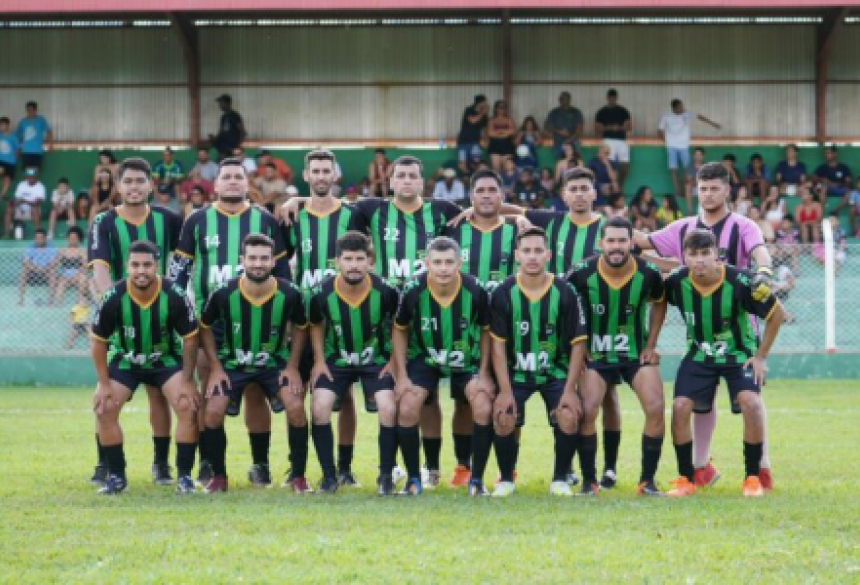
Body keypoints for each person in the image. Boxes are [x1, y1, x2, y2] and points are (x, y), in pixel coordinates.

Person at [634, 161, 776, 490]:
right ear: (696, 191)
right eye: (703, 188)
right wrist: (611, 232)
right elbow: (646, 242)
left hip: (740, 327)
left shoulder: (743, 226)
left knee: (751, 397)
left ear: (727, 190)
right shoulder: (683, 228)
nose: (708, 194)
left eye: (715, 188)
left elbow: (760, 254)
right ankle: (700, 467)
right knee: (699, 399)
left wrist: (765, 274)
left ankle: (762, 467)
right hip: (700, 332)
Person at [170, 157, 291, 489]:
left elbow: (283, 276)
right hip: (211, 325)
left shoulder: (264, 219)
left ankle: (260, 465)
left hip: (258, 321)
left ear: (246, 182)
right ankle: (209, 464)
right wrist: (176, 313)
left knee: (254, 392)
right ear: (217, 184)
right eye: (227, 177)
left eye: (239, 177)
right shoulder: (196, 220)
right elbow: (179, 274)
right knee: (210, 392)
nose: (233, 182)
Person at [663, 229, 784, 498]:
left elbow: (778, 316)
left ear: (717, 254)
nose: (700, 261)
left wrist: (761, 356)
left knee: (751, 403)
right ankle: (686, 478)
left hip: (738, 355)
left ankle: (752, 477)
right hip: (699, 354)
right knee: (680, 406)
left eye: (706, 253)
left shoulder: (742, 281)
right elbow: (657, 301)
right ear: (684, 257)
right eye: (693, 254)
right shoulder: (676, 282)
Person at [87, 157, 184, 486]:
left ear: (151, 185)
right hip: (119, 319)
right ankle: (106, 465)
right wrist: (111, 304)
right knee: (107, 395)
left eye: (140, 182)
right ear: (118, 186)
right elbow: (99, 269)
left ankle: (162, 465)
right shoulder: (104, 221)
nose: (134, 187)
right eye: (127, 182)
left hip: (162, 316)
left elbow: (182, 263)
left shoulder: (169, 219)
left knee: (160, 394)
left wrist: (174, 301)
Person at [282, 149, 367, 486]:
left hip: (342, 322)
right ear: (306, 176)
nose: (320, 176)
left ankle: (343, 469)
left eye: (325, 171)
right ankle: (298, 468)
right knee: (297, 395)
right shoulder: (293, 216)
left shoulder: (354, 214)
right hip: (303, 319)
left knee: (343, 396)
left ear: (335, 175)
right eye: (314, 171)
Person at [199, 234, 308, 493]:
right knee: (213, 411)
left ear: (273, 262)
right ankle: (219, 477)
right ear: (242, 260)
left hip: (274, 364)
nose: (258, 263)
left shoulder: (290, 293)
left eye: (264, 258)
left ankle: (298, 477)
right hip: (232, 364)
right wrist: (215, 367)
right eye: (252, 258)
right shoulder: (224, 292)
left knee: (295, 407)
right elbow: (204, 328)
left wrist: (292, 366)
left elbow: (302, 328)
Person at [89, 240, 200, 495]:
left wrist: (187, 380)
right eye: (135, 265)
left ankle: (184, 476)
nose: (141, 270)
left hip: (165, 359)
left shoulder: (175, 294)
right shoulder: (113, 297)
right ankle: (116, 476)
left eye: (147, 265)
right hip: (126, 359)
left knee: (187, 405)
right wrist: (103, 384)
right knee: (104, 408)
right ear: (127, 267)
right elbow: (97, 342)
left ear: (157, 266)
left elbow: (191, 338)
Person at [566, 217, 667, 496]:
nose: (616, 246)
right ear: (601, 244)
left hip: (634, 355)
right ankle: (589, 482)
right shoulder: (581, 272)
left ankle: (647, 481)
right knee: (588, 410)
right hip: (596, 356)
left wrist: (651, 344)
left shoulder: (648, 273)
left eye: (622, 240)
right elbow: (563, 305)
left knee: (656, 407)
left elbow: (659, 303)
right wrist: (577, 344)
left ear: (631, 243)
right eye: (610, 241)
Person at [488, 227, 587, 497]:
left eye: (538, 251)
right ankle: (506, 479)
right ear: (517, 255)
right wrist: (505, 390)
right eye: (527, 251)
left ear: (548, 255)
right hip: (515, 374)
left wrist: (569, 390)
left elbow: (579, 344)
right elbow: (497, 346)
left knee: (568, 415)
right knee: (503, 416)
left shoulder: (565, 291)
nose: (532, 256)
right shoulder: (502, 292)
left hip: (555, 373)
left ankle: (560, 479)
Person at [391, 237, 494, 496]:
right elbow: (399, 329)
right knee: (407, 406)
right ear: (427, 263)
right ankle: (415, 478)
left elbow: (486, 331)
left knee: (481, 405)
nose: (443, 268)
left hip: (464, 359)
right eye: (437, 262)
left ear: (460, 263)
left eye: (449, 262)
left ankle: (476, 480)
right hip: (425, 359)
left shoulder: (476, 290)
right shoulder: (413, 289)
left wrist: (484, 373)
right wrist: (401, 375)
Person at [442, 169, 519, 487]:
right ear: (471, 197)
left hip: (505, 331)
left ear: (501, 196)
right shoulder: (455, 231)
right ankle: (463, 466)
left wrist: (520, 217)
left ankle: (507, 466)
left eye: (492, 190)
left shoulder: (517, 232)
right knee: (463, 400)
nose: (486, 196)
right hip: (464, 331)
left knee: (507, 397)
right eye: (480, 191)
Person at [307, 232, 399, 494]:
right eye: (348, 259)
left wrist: (393, 360)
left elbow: (399, 326)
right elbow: (316, 324)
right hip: (335, 361)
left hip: (376, 361)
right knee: (320, 407)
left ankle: (385, 476)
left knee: (388, 408)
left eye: (360, 259)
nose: (354, 265)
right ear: (337, 261)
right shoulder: (321, 292)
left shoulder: (387, 291)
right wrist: (319, 361)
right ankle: (329, 477)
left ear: (371, 262)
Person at [658, 99, 721, 198]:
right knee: (673, 169)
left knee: (687, 169)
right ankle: (677, 191)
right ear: (674, 108)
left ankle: (684, 189)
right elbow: (660, 130)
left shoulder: (687, 113)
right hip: (671, 146)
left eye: (682, 106)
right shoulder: (666, 115)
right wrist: (666, 142)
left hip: (683, 146)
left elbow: (700, 117)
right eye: (680, 107)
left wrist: (713, 124)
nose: (682, 108)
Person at [595, 88, 633, 189]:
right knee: (608, 165)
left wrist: (619, 128)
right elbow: (597, 129)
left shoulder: (623, 111)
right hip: (607, 140)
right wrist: (611, 128)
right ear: (607, 98)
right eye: (610, 97)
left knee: (625, 165)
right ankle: (610, 188)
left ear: (616, 98)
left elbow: (629, 127)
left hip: (621, 140)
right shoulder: (602, 112)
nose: (612, 99)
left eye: (614, 97)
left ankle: (620, 187)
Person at [18, 228, 56, 306]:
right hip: (33, 271)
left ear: (45, 239)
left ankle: (50, 300)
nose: (38, 240)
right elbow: (25, 261)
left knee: (53, 272)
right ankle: (21, 299)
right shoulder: (30, 247)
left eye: (41, 238)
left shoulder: (51, 248)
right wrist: (34, 268)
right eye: (36, 238)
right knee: (23, 272)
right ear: (34, 239)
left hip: (46, 271)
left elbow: (54, 262)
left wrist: (45, 269)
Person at [52, 226, 88, 306]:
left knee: (83, 279)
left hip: (78, 275)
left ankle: (80, 304)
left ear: (79, 239)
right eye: (70, 237)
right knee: (61, 283)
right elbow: (54, 264)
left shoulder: (82, 251)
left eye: (74, 238)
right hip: (65, 276)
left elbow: (85, 266)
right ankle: (58, 305)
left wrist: (77, 275)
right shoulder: (62, 251)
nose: (72, 240)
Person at [544, 91, 584, 157]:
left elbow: (579, 130)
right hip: (558, 142)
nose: (562, 100)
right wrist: (559, 131)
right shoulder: (554, 113)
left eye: (565, 99)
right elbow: (547, 127)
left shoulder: (576, 112)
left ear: (569, 100)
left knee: (575, 163)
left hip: (574, 142)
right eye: (561, 99)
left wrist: (569, 140)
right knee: (560, 163)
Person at [456, 95, 488, 175]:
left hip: (475, 142)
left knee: (477, 161)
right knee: (462, 163)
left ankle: (475, 177)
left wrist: (486, 141)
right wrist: (482, 113)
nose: (485, 105)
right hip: (463, 142)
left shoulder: (484, 115)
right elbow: (472, 120)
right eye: (484, 103)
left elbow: (484, 129)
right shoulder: (469, 110)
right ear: (479, 103)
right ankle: (466, 177)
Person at [15, 101, 52, 170]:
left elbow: (49, 131)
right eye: (28, 110)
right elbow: (17, 136)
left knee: (35, 171)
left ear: (35, 110)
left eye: (32, 109)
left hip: (37, 151)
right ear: (26, 110)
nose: (30, 111)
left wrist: (50, 144)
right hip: (26, 151)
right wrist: (18, 148)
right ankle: (27, 181)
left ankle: (34, 181)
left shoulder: (41, 120)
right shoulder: (23, 122)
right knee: (27, 171)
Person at [209, 94, 246, 160]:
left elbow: (242, 131)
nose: (219, 105)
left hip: (231, 145)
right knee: (221, 162)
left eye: (221, 103)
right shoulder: (223, 117)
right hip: (223, 146)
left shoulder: (234, 115)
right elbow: (221, 131)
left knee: (229, 162)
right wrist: (214, 138)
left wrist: (237, 145)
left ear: (227, 103)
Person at [486, 101, 517, 173]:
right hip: (494, 146)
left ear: (505, 109)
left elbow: (512, 131)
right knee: (496, 169)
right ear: (496, 109)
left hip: (507, 146)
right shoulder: (492, 120)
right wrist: (505, 132)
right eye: (499, 108)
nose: (501, 110)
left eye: (503, 108)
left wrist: (498, 132)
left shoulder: (509, 120)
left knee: (508, 168)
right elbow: (490, 133)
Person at [13, 167, 46, 233]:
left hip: (33, 211)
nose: (30, 178)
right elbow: (17, 200)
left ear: (36, 176)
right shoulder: (21, 184)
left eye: (32, 176)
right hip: (21, 210)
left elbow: (37, 203)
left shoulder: (40, 186)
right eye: (28, 176)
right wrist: (16, 202)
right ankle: (7, 233)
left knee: (35, 209)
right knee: (9, 209)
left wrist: (24, 201)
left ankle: (37, 232)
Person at [0, 116, 20, 216]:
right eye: (0, 125)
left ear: (7, 125)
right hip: (1, 160)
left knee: (7, 179)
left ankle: (2, 195)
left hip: (11, 162)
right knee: (1, 170)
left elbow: (17, 149)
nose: (2, 127)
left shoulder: (13, 137)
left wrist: (15, 159)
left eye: (3, 125)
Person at [684, 147, 706, 215]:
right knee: (687, 186)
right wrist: (696, 181)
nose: (697, 157)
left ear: (703, 156)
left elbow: (706, 180)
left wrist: (696, 181)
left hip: (703, 188)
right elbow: (687, 180)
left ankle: (703, 212)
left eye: (699, 155)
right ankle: (690, 211)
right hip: (693, 188)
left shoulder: (706, 166)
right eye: (696, 155)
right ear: (693, 156)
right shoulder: (689, 166)